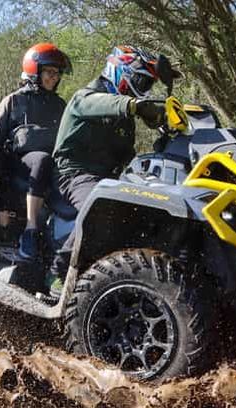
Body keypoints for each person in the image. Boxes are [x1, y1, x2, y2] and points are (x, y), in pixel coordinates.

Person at [47, 45, 171, 295]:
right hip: (75, 175)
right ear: (119, 71)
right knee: (101, 204)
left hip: (111, 177)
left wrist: (165, 135)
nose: (144, 89)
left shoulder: (124, 118)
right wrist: (136, 105)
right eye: (140, 81)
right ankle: (59, 273)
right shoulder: (85, 97)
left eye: (148, 84)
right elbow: (105, 104)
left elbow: (128, 153)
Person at [0, 43, 71, 260]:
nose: (55, 78)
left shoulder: (60, 105)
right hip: (20, 166)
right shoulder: (15, 100)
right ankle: (31, 229)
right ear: (34, 71)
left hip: (53, 167)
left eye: (58, 73)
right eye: (50, 72)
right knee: (42, 160)